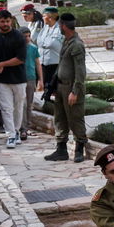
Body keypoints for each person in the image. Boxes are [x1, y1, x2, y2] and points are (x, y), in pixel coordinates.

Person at [44, 12, 88, 162]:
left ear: (63, 26)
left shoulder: (76, 44)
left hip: (71, 88)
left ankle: (79, 150)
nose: (59, 28)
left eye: (59, 25)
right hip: (62, 87)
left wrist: (75, 91)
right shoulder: (66, 41)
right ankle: (61, 150)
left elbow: (80, 71)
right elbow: (62, 64)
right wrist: (54, 85)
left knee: (75, 118)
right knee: (60, 118)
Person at [0, 10, 28, 148]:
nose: (5, 24)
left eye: (7, 21)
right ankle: (10, 134)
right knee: (6, 108)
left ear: (11, 21)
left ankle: (16, 131)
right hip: (1, 79)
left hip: (19, 78)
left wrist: (2, 64)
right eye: (2, 21)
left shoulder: (19, 36)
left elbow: (21, 59)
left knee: (18, 107)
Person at [33, 6, 63, 110]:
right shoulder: (45, 27)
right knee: (46, 85)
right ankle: (47, 104)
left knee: (54, 86)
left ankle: (55, 105)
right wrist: (44, 43)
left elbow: (52, 43)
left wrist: (44, 43)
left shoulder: (58, 29)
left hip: (54, 62)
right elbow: (38, 41)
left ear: (50, 17)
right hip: (44, 62)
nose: (42, 18)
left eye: (44, 16)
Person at [18, 26, 39, 140]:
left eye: (28, 36)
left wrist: (41, 79)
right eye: (24, 36)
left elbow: (37, 64)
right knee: (22, 104)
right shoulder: (17, 48)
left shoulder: (33, 48)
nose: (27, 38)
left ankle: (27, 127)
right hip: (20, 79)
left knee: (29, 105)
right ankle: (22, 128)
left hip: (31, 78)